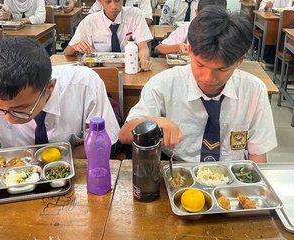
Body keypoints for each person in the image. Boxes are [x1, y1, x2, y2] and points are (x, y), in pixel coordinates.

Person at [119, 7, 277, 163]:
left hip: (229, 173)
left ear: (239, 61)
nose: (209, 78)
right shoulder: (163, 84)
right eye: (200, 65)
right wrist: (153, 123)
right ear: (189, 50)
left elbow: (258, 157)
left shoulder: (254, 91)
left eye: (222, 69)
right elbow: (124, 134)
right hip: (177, 169)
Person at [0, 37, 120, 159]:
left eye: (21, 109)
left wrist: (49, 164)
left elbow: (103, 144)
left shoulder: (84, 85)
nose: (8, 117)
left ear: (49, 88)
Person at [64, 0, 153, 71]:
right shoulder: (89, 22)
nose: (113, 6)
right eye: (108, 1)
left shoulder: (135, 15)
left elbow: (143, 47)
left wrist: (144, 59)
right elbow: (67, 53)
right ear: (99, 1)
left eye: (117, 0)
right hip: (100, 71)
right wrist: (76, 46)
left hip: (129, 68)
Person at [155, 0, 226, 55]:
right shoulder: (186, 29)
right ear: (197, 13)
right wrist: (177, 47)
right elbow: (158, 49)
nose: (210, 25)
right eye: (205, 20)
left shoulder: (230, 33)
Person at [89, 0, 153, 25]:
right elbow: (90, 17)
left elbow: (148, 19)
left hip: (133, 34)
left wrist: (125, 23)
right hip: (104, 33)